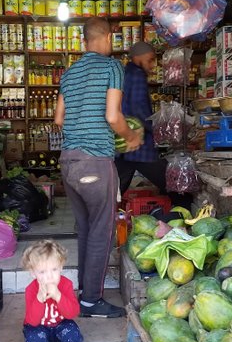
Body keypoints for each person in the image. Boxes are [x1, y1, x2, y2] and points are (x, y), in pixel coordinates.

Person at [54, 17, 142, 318]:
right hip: (95, 161)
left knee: (86, 231)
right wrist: (132, 137)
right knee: (101, 232)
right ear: (107, 38)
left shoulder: (69, 73)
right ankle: (91, 300)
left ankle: (85, 293)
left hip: (68, 161)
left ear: (84, 40)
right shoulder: (112, 67)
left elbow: (59, 120)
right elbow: (113, 116)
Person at [115, 41, 192, 210]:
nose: (152, 65)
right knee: (174, 183)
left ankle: (98, 217)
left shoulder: (127, 73)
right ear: (137, 57)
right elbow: (138, 110)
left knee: (115, 189)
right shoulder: (136, 75)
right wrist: (161, 131)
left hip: (127, 145)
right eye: (149, 60)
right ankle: (185, 211)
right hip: (139, 145)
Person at [22, 240, 83, 342]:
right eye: (42, 272)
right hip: (38, 326)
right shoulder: (31, 289)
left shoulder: (66, 284)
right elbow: (33, 321)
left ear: (61, 267)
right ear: (33, 273)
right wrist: (39, 299)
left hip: (61, 324)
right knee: (33, 338)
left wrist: (58, 296)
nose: (49, 277)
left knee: (73, 333)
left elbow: (72, 313)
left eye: (54, 269)